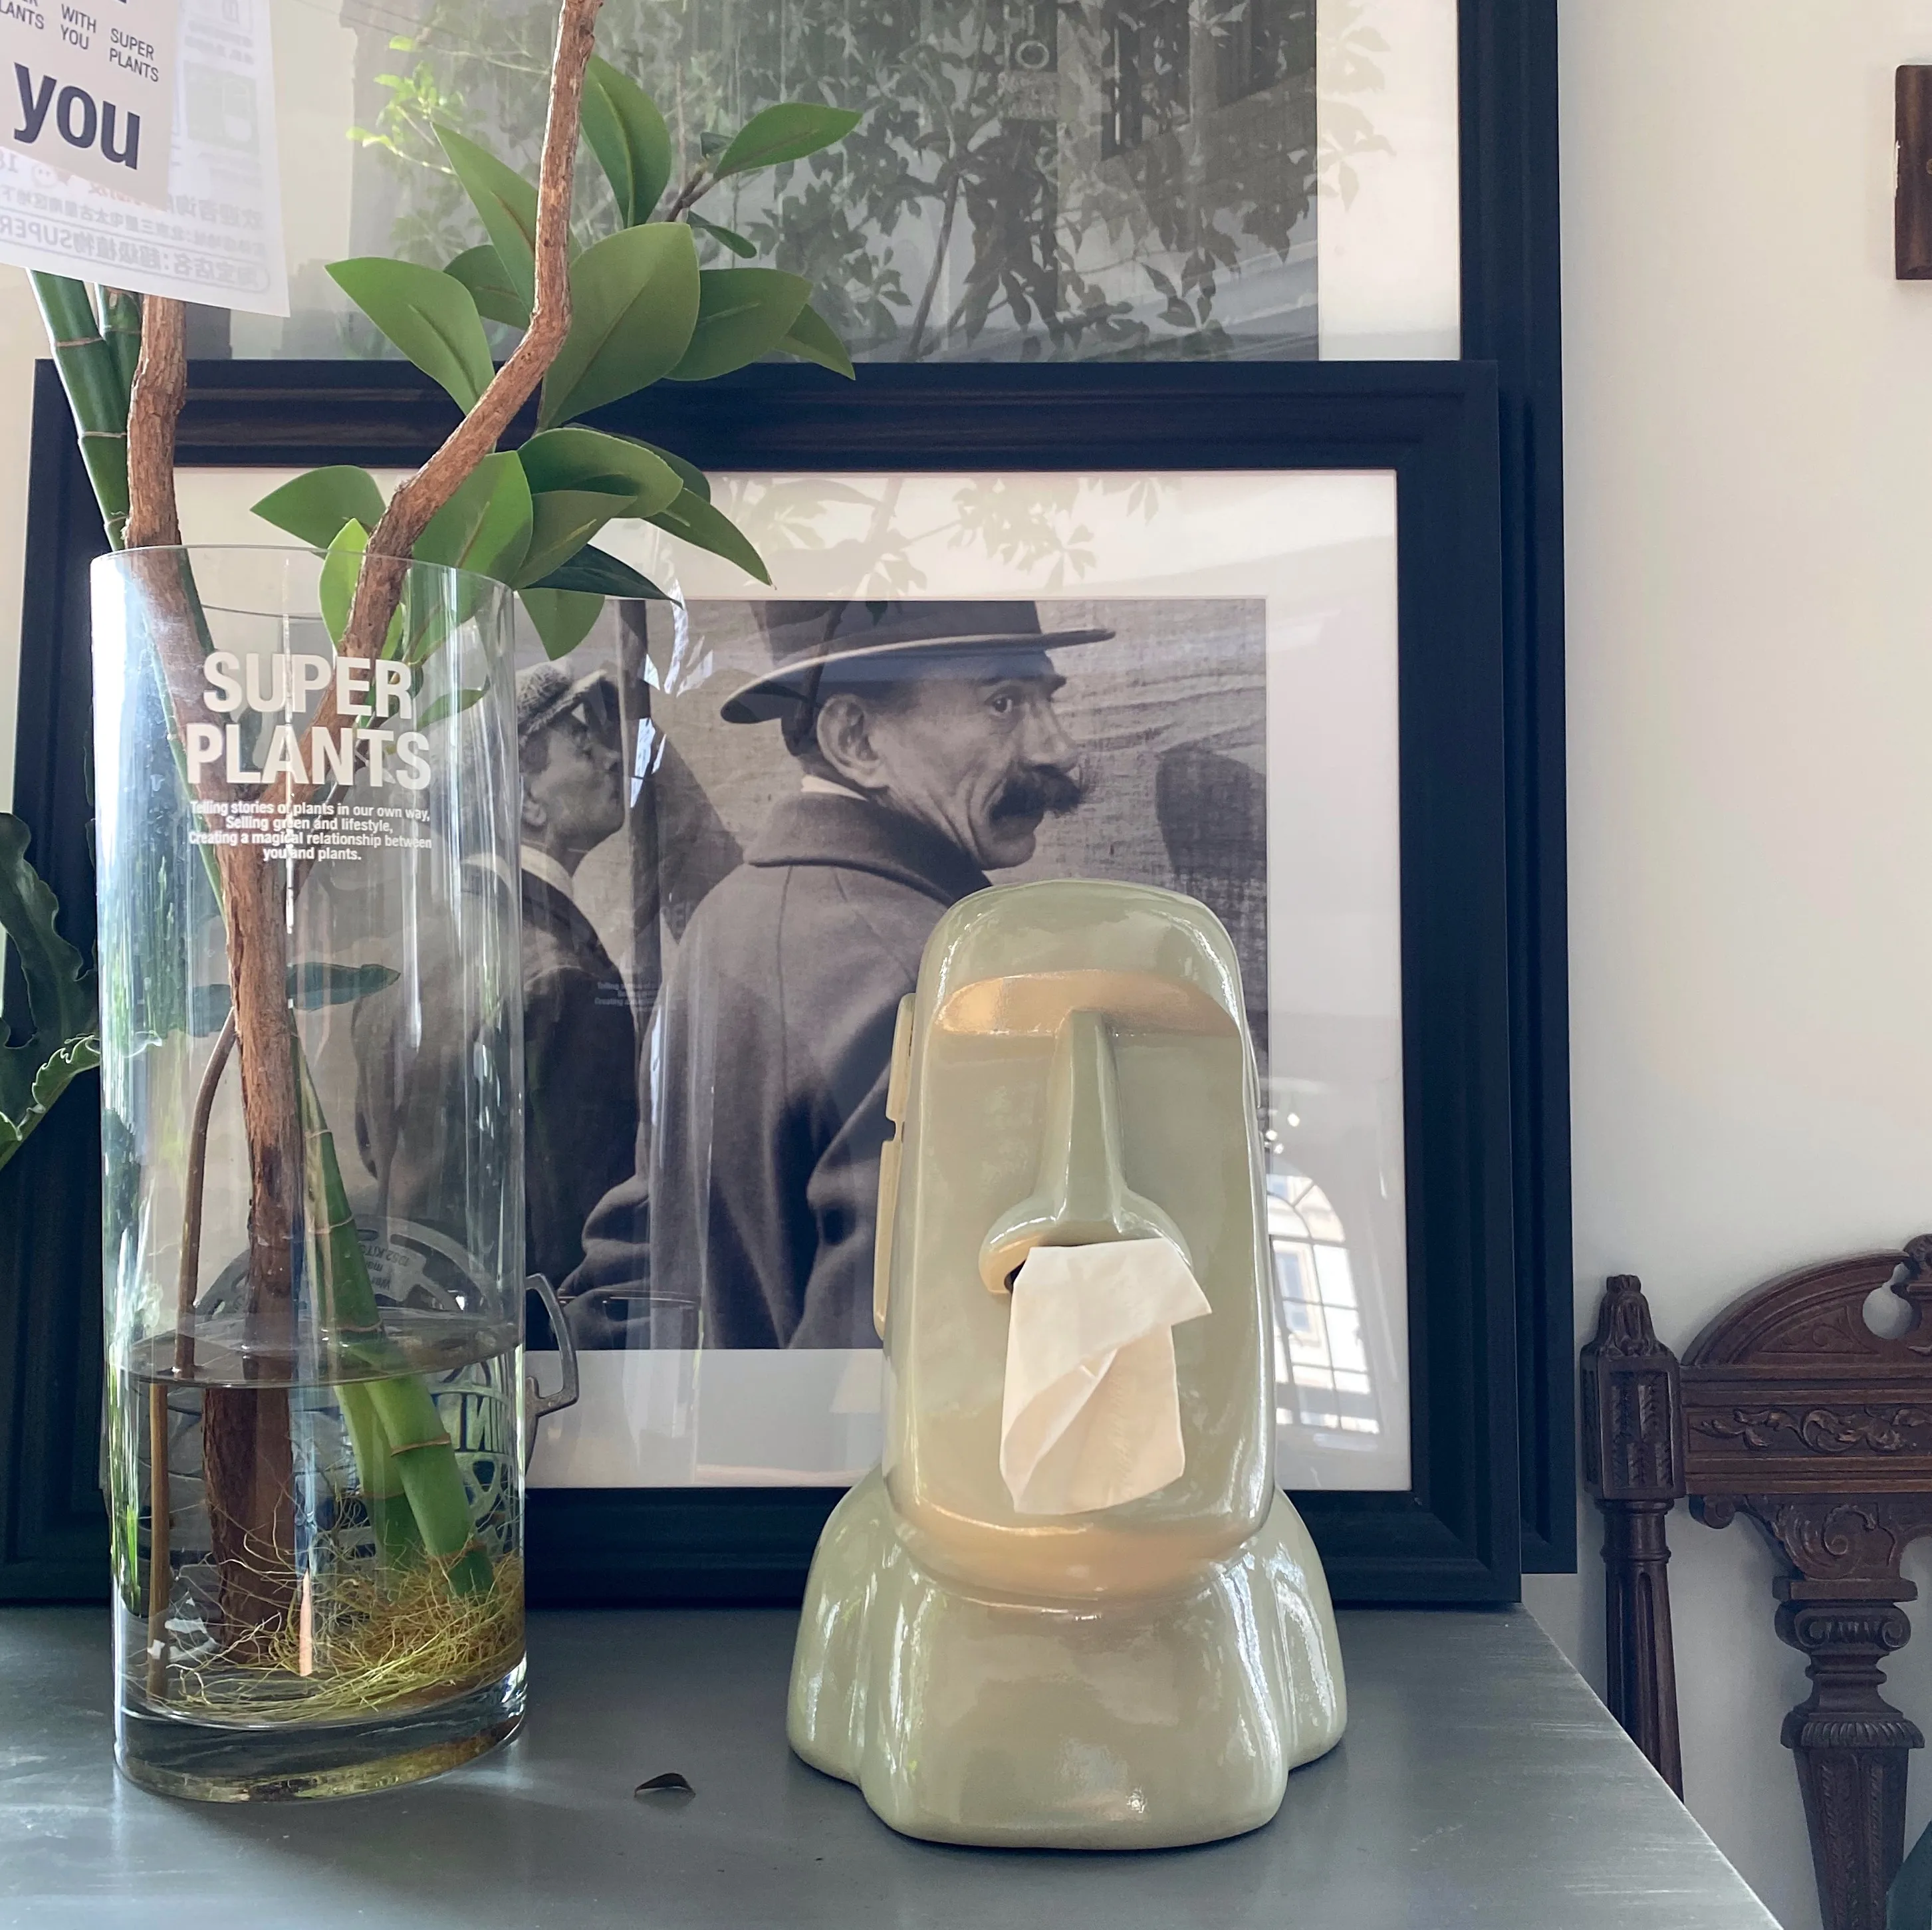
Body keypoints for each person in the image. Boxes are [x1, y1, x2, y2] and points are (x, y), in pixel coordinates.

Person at [568, 600, 1108, 1350]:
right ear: (855, 739)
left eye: (1048, 700)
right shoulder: (943, 982)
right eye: (1003, 703)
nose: (1058, 747)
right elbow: (891, 1366)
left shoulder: (726, 917)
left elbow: (638, 1258)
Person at [512, 664, 639, 1297]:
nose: (613, 759)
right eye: (583, 744)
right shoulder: (566, 978)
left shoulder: (423, 955)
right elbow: (579, 1243)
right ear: (527, 800)